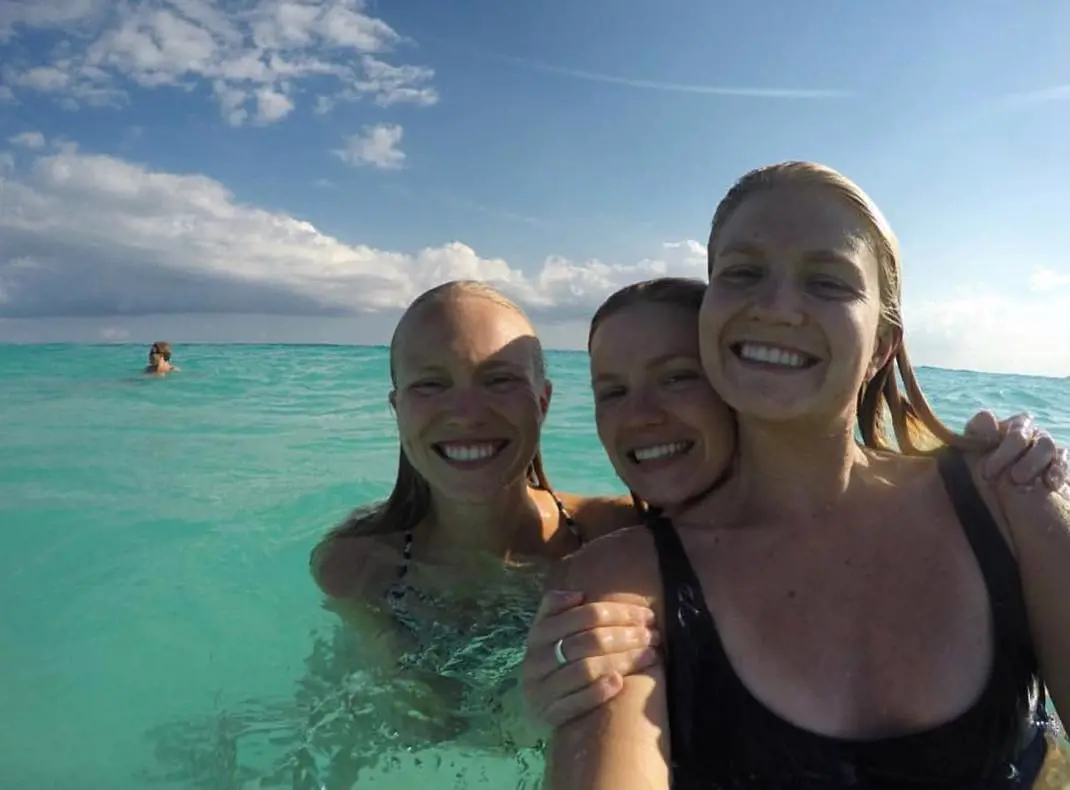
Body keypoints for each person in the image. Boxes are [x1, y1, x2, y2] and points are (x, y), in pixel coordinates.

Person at [531, 166, 1070, 790]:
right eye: (742, 272)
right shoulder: (623, 580)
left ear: (882, 345)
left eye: (827, 281)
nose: (776, 307)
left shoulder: (1004, 493)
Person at [308, 280, 640, 749]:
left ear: (542, 402)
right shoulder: (355, 568)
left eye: (499, 380)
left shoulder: (621, 532)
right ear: (397, 409)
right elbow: (430, 725)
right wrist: (523, 711)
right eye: (431, 384)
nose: (466, 413)